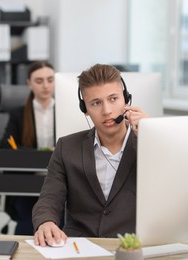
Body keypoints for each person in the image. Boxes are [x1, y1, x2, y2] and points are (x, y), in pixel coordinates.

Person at [32, 63, 149, 247]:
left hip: (132, 247)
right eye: (96, 103)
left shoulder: (148, 143)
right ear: (84, 108)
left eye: (113, 99)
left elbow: (173, 190)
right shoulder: (66, 147)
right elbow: (49, 197)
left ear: (126, 100)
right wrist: (46, 221)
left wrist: (151, 137)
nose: (107, 111)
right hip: (79, 247)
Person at [0, 61, 55, 235]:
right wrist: (40, 155)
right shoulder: (18, 113)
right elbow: (5, 147)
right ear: (29, 83)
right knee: (26, 227)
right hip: (27, 181)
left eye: (50, 80)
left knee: (57, 227)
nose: (45, 86)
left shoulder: (65, 110)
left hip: (57, 182)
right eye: (39, 81)